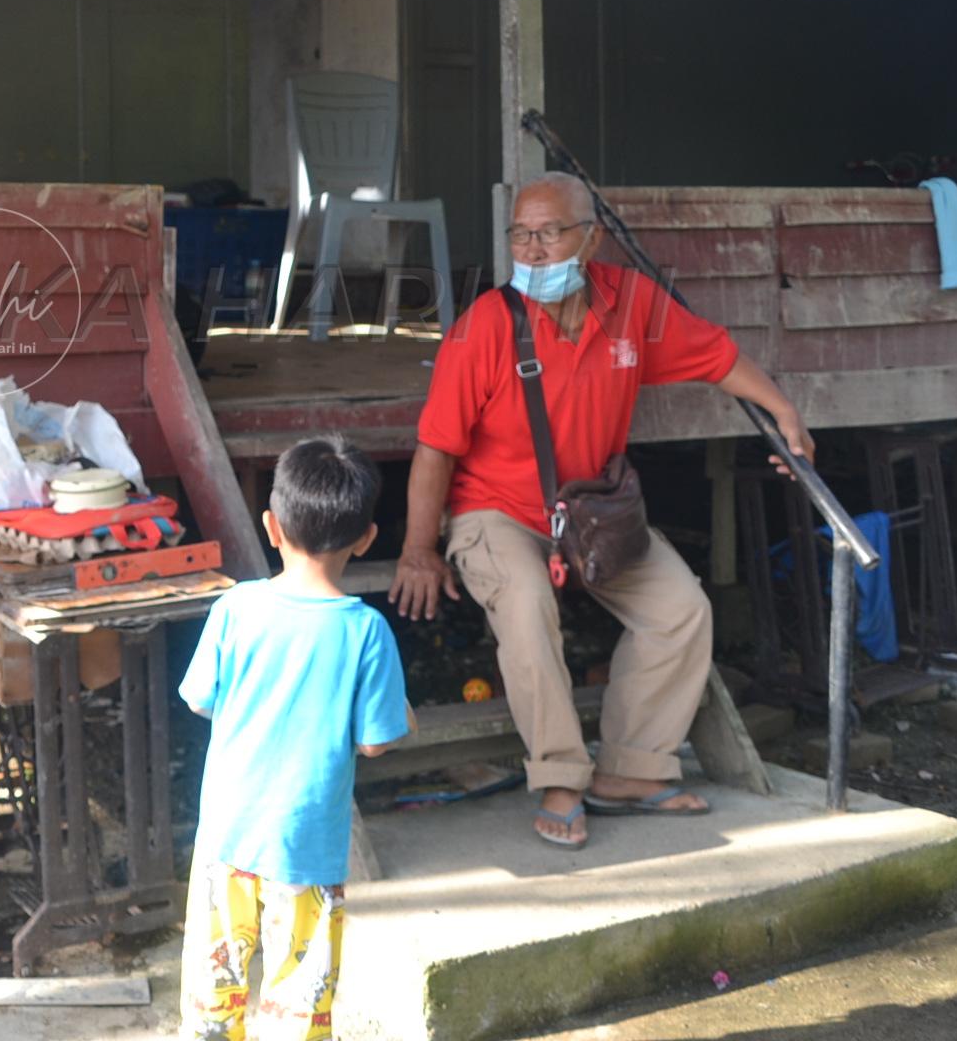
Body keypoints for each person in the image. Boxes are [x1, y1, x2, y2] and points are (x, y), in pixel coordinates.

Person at [390, 172, 814, 850]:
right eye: (520, 234)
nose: (531, 249)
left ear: (590, 238)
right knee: (527, 608)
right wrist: (419, 547)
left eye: (548, 232)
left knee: (681, 608)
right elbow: (436, 451)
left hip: (590, 510)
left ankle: (632, 770)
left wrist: (784, 411)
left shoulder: (632, 303)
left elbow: (716, 356)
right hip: (494, 512)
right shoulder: (486, 327)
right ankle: (560, 776)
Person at [178, 437, 413, 1041]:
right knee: (298, 1007)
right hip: (306, 852)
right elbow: (375, 742)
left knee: (213, 997)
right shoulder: (366, 632)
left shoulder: (234, 607)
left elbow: (201, 699)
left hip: (225, 842)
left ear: (271, 526)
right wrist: (402, 710)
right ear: (367, 538)